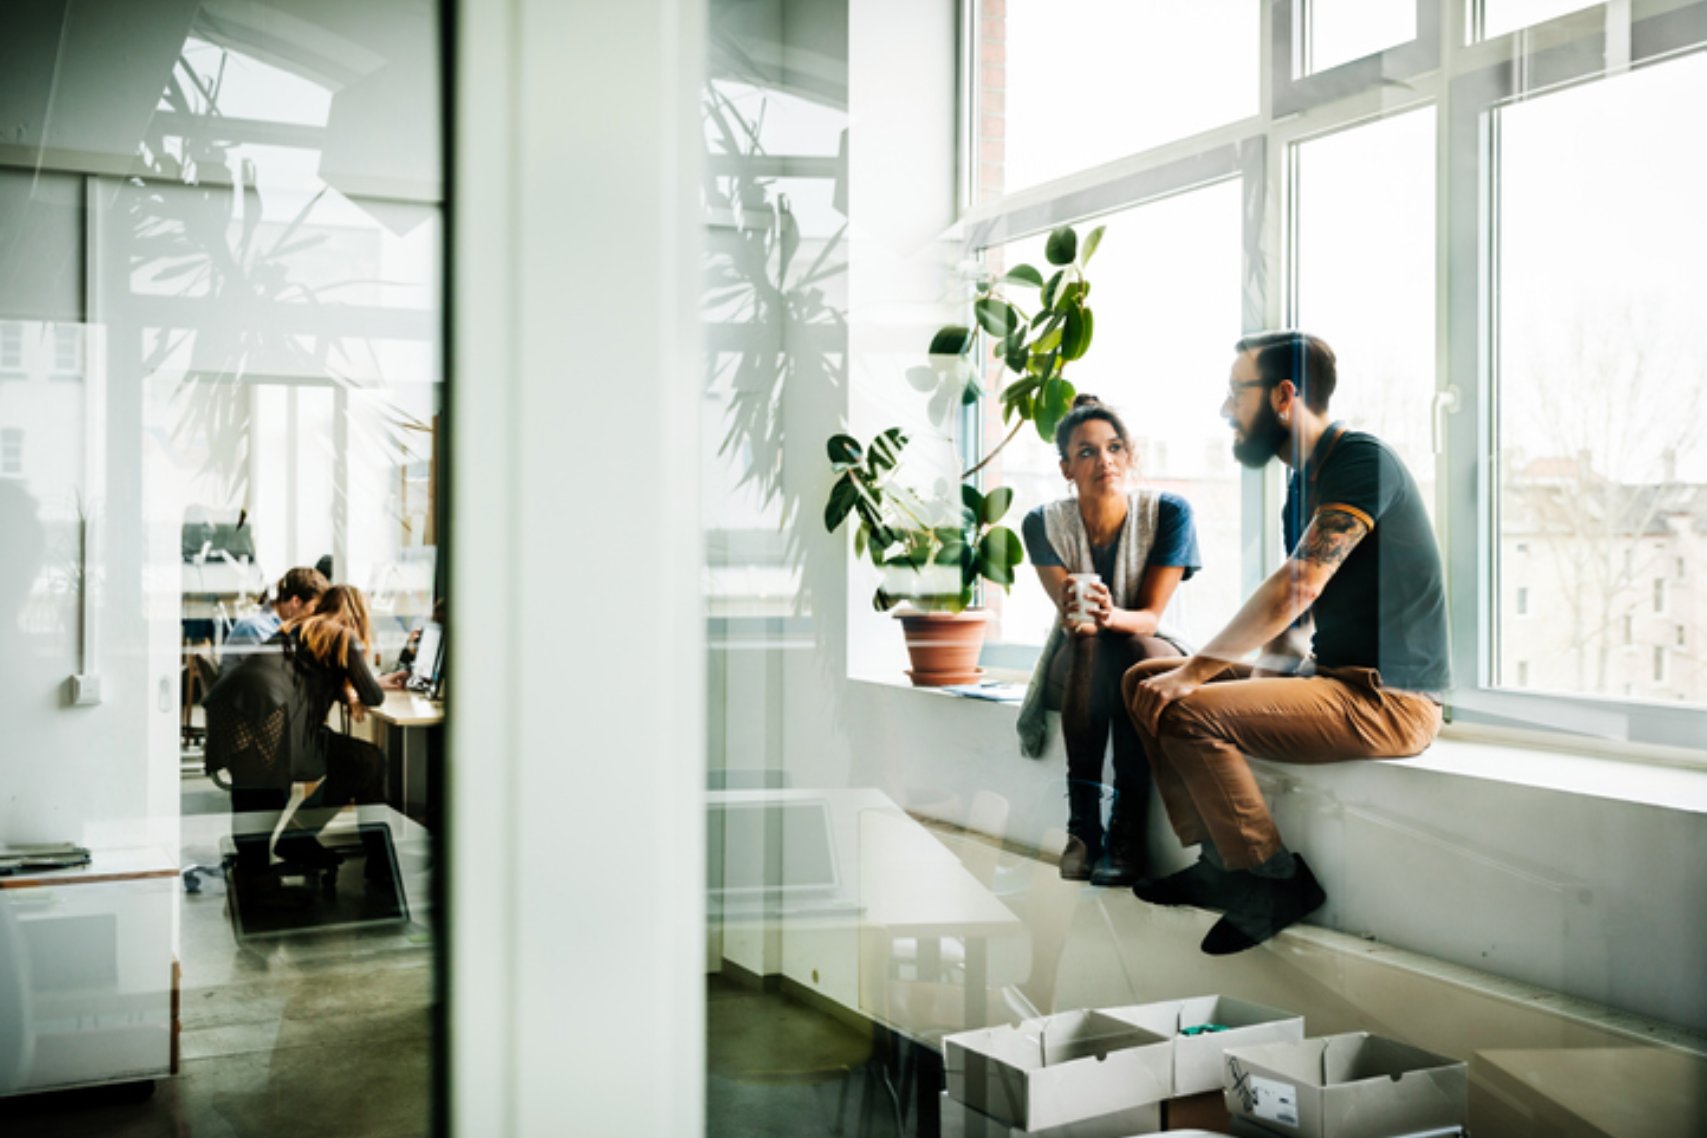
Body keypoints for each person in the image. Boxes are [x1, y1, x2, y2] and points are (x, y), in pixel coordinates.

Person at [1122, 331, 1449, 955]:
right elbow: (1296, 628)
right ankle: (1220, 860)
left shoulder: (1360, 460)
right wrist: (1245, 695)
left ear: (1283, 394)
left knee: (1182, 698)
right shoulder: (1302, 489)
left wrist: (1196, 678)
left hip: (1391, 700)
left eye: (1234, 393)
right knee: (1144, 681)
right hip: (1332, 681)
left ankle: (1274, 879)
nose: (1225, 410)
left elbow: (1298, 587)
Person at [1015, 395, 1200, 887]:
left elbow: (1150, 617)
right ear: (1065, 468)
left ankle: (1126, 834)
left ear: (1129, 455)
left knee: (1132, 655)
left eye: (1114, 447)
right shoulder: (1041, 523)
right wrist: (1089, 619)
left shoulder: (1169, 513)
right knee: (1091, 643)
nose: (1105, 461)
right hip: (1081, 654)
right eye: (1087, 452)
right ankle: (1083, 830)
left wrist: (1110, 613)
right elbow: (1070, 613)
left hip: (1152, 645)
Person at [207, 584, 388, 871]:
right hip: (274, 720)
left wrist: (348, 689)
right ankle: (375, 863)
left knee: (257, 797)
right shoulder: (343, 636)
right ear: (356, 613)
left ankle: (262, 868)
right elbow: (374, 697)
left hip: (240, 708)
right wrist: (361, 685)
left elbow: (311, 674)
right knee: (366, 761)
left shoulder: (299, 627)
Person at [220, 566, 329, 675]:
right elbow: (274, 674)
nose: (318, 614)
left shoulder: (282, 630)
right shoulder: (254, 628)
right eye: (315, 607)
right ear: (296, 602)